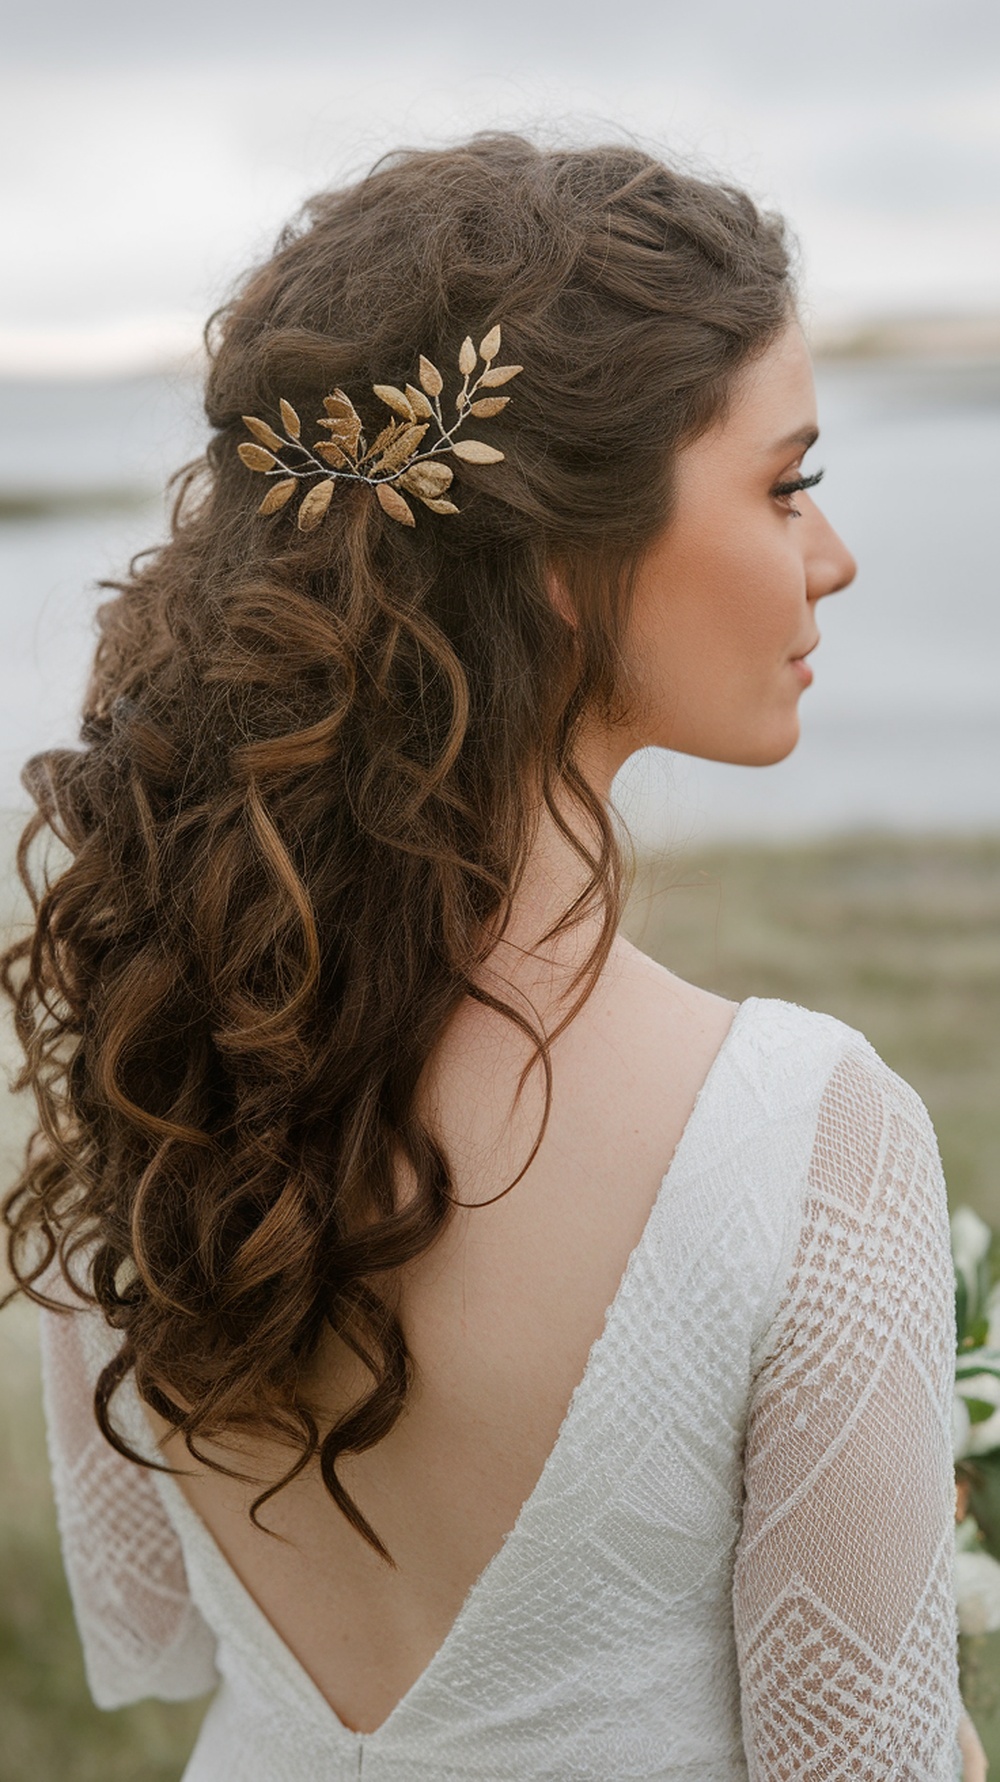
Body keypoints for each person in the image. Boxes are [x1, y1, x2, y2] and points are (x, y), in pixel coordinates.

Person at [2, 134, 981, 1779]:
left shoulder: (156, 1051)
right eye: (785, 482)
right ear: (552, 558)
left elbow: (157, 1595)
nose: (834, 556)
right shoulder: (811, 1141)